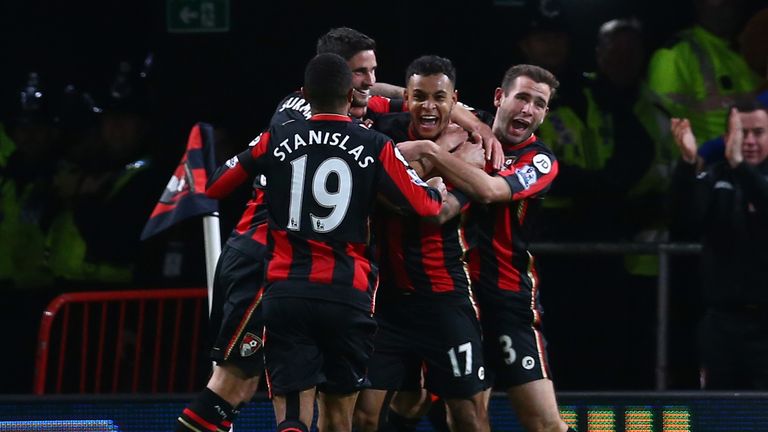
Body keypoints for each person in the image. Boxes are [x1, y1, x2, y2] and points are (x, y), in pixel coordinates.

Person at [206, 53, 443, 432]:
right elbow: (426, 207)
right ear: (351, 95)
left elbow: (217, 184)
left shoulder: (277, 138)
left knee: (293, 416)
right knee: (338, 418)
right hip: (347, 295)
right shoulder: (375, 144)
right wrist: (434, 186)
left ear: (304, 94)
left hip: (287, 294)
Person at [398, 64, 576, 432]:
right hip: (453, 294)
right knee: (452, 413)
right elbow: (389, 91)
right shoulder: (465, 125)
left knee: (544, 423)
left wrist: (433, 152)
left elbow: (491, 191)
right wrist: (471, 123)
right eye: (522, 97)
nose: (528, 109)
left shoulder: (539, 160)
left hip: (506, 299)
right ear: (499, 98)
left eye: (539, 104)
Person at [354, 55, 490, 432]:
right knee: (363, 415)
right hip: (387, 304)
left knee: (467, 415)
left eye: (440, 98)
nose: (428, 107)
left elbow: (438, 213)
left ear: (454, 101)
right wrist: (435, 155)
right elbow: (369, 91)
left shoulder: (473, 146)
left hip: (445, 300)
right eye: (419, 97)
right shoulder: (384, 128)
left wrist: (401, 172)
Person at [670, 101, 768, 390]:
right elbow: (683, 222)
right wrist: (688, 164)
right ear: (727, 139)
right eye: (741, 133)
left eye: (758, 133)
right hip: (721, 323)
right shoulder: (715, 178)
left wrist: (740, 167)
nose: (748, 141)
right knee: (719, 411)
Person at [645, 0, 762, 148]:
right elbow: (666, 135)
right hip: (713, 166)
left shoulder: (751, 50)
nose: (726, 3)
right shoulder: (674, 56)